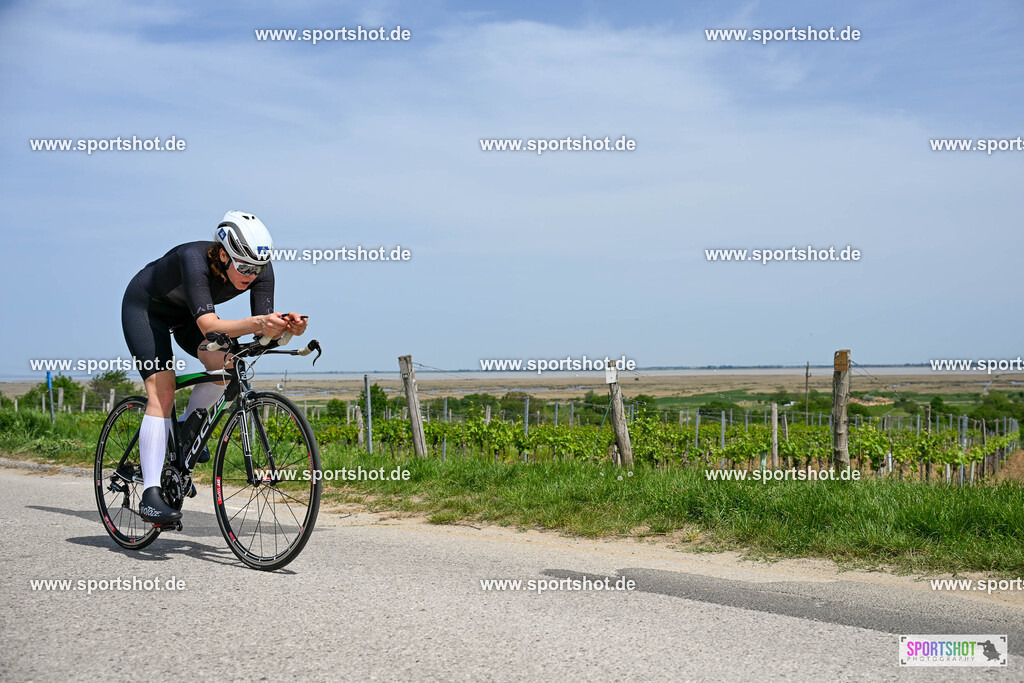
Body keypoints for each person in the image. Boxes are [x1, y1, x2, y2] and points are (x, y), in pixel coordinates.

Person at [121, 211, 307, 523]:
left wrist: (286, 330)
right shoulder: (193, 259)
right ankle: (151, 495)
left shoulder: (260, 270)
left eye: (258, 268)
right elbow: (210, 326)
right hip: (146, 309)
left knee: (228, 366)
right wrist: (259, 323)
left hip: (185, 318)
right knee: (162, 391)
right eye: (244, 266)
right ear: (223, 254)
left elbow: (261, 334)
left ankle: (184, 430)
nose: (251, 274)